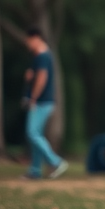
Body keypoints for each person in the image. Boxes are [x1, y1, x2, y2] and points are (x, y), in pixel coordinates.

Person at [20, 28, 68, 180]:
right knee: (37, 135)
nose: (27, 44)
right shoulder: (42, 56)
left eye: (28, 41)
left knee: (32, 133)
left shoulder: (42, 56)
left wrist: (33, 98)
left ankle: (56, 161)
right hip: (44, 101)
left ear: (36, 38)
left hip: (41, 102)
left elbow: (42, 78)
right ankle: (35, 170)